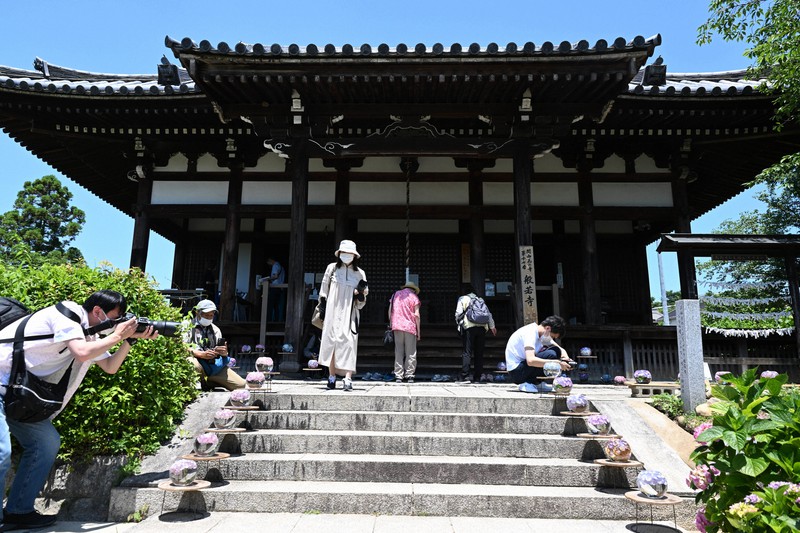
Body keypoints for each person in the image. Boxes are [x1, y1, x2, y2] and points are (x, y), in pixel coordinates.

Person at [0, 290, 159, 531]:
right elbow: (81, 352)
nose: (117, 324)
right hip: (4, 385)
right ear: (98, 311)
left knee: (46, 443)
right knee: (1, 453)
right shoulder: (67, 313)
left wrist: (128, 340)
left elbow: (110, 366)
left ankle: (18, 511)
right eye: (116, 318)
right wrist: (117, 335)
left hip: (18, 393)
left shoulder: (90, 335)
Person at [317, 240, 368, 392]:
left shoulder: (360, 273)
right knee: (332, 342)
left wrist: (359, 295)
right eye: (344, 253)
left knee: (349, 343)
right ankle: (331, 376)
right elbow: (323, 289)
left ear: (355, 255)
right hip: (333, 310)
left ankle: (348, 378)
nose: (347, 256)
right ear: (339, 254)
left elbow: (363, 297)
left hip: (350, 312)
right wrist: (323, 307)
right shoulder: (331, 268)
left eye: (350, 253)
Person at [184, 299, 245, 391]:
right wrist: (200, 354)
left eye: (211, 315)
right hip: (196, 361)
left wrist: (224, 353)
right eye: (206, 315)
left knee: (240, 385)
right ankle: (197, 382)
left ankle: (209, 381)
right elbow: (181, 347)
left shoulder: (216, 330)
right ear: (197, 313)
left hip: (212, 365)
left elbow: (220, 352)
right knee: (191, 363)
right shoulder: (187, 325)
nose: (209, 317)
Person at [505, 315, 574, 392]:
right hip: (516, 372)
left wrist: (566, 359)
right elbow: (530, 361)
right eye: (552, 336)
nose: (552, 339)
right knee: (552, 355)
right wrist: (558, 363)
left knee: (556, 351)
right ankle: (526, 382)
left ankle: (535, 382)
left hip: (524, 368)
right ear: (548, 328)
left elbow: (560, 350)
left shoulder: (542, 334)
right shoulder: (530, 333)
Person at [455, 285, 497, 383]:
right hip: (482, 328)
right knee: (479, 353)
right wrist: (492, 327)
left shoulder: (463, 299)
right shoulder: (480, 299)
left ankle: (465, 376)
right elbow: (488, 314)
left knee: (467, 352)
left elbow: (458, 313)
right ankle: (477, 377)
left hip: (469, 327)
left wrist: (459, 325)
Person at [388, 281, 421, 383]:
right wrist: (418, 332)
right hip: (410, 327)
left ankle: (398, 375)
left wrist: (392, 323)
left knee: (399, 351)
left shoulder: (395, 295)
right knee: (410, 352)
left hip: (397, 326)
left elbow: (390, 311)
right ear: (414, 290)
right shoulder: (414, 297)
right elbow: (417, 315)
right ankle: (409, 375)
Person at [266, 257, 286, 322]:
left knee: (270, 305)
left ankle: (269, 321)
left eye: (268, 263)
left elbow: (275, 276)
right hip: (280, 289)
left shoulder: (275, 265)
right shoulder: (282, 268)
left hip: (274, 288)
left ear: (270, 260)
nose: (269, 264)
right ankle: (277, 320)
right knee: (276, 306)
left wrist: (267, 279)